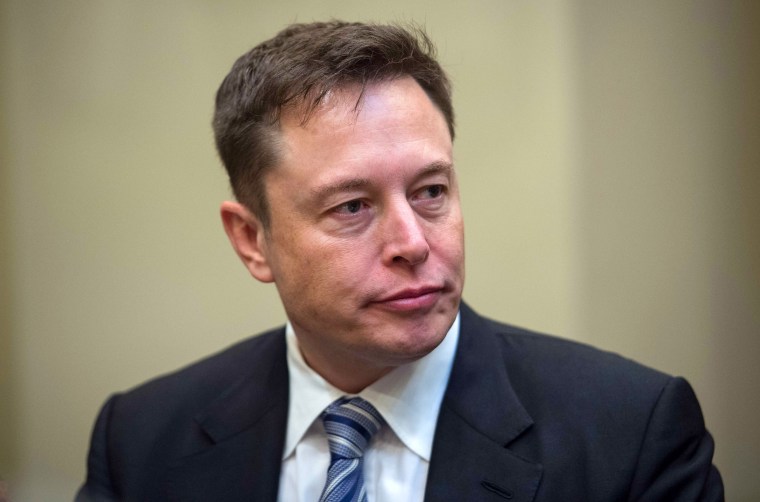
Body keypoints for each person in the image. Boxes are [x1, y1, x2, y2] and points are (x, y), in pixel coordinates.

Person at [76, 21, 724, 501]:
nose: (413, 242)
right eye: (352, 206)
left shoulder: (632, 434)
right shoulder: (141, 441)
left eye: (431, 192)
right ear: (252, 240)